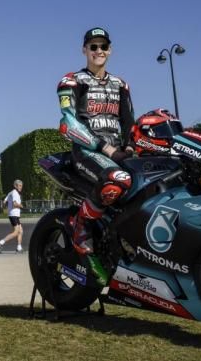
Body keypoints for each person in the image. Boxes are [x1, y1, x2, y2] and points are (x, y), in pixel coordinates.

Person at [57, 27, 135, 285]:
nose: (98, 51)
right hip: (88, 151)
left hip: (119, 152)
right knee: (118, 178)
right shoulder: (71, 81)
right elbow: (69, 123)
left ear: (110, 50)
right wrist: (106, 148)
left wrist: (131, 148)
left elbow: (128, 122)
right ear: (84, 50)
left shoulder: (121, 84)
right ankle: (81, 226)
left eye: (103, 46)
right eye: (93, 47)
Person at [0, 179, 24, 253]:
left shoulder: (11, 192)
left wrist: (4, 208)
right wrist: (21, 205)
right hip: (14, 215)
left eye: (21, 186)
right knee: (16, 232)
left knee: (20, 231)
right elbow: (15, 204)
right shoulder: (14, 193)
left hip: (14, 215)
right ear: (15, 186)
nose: (21, 187)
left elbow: (4, 202)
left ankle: (19, 247)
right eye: (19, 186)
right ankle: (0, 243)